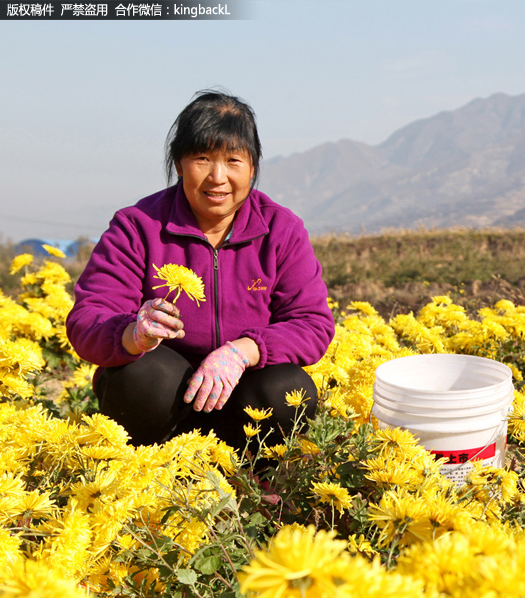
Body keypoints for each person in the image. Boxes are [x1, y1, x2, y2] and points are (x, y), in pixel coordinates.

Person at [66, 91, 335, 450]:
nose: (218, 177)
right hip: (164, 409)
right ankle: (148, 479)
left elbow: (312, 323)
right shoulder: (138, 227)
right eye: (202, 158)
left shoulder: (281, 229)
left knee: (287, 389)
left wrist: (242, 351)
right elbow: (88, 319)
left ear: (252, 166)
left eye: (233, 160)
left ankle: (257, 481)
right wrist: (134, 334)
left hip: (244, 410)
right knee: (141, 375)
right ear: (179, 164)